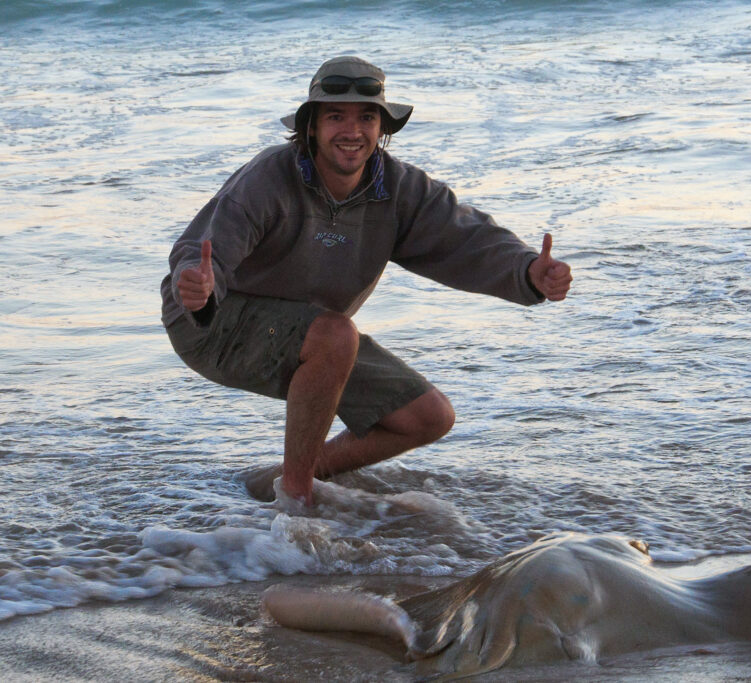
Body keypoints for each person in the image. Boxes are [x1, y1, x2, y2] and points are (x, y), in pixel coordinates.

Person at [160, 56, 572, 505]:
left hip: (310, 335)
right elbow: (204, 248)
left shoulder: (399, 189)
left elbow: (464, 237)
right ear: (311, 126)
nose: (352, 131)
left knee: (428, 416)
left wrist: (527, 270)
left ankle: (280, 480)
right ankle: (296, 505)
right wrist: (199, 286)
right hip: (211, 320)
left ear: (382, 128)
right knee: (336, 334)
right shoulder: (269, 177)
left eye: (367, 118)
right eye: (336, 117)